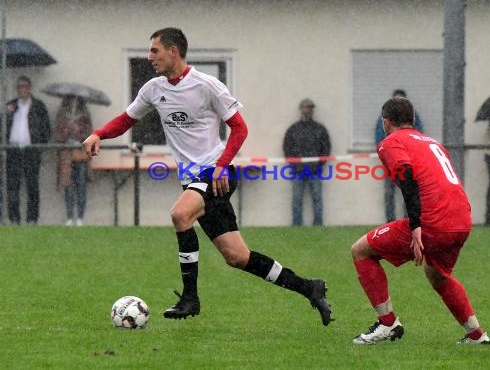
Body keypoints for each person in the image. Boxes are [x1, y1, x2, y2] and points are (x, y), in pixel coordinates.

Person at [83, 27, 332, 326]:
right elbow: (126, 120)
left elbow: (240, 128)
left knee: (179, 214)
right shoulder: (153, 89)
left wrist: (221, 165)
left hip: (217, 172)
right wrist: (98, 134)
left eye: (155, 51)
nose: (150, 57)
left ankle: (190, 299)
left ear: (173, 51)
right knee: (237, 256)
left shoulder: (207, 86)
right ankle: (309, 287)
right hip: (194, 180)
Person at [351, 96, 490, 345]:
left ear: (385, 122)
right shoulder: (430, 141)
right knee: (438, 274)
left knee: (361, 251)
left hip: (433, 221)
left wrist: (416, 226)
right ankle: (477, 335)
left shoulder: (390, 142)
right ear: (412, 120)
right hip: (462, 218)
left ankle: (387, 325)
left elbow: (407, 180)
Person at [5, 76, 51, 225]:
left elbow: (46, 129)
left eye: (24, 86)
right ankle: (14, 219)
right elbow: (3, 128)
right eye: (19, 87)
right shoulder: (11, 106)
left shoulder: (38, 106)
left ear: (30, 88)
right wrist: (6, 114)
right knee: (13, 186)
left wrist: (39, 146)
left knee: (32, 186)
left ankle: (32, 219)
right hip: (13, 150)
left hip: (31, 150)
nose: (22, 90)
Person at [375, 89, 424, 222]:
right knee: (389, 193)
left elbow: (417, 135)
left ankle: (408, 219)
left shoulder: (414, 118)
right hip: (391, 162)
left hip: (409, 162)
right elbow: (380, 136)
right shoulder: (385, 119)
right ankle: (390, 221)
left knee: (409, 191)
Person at [282, 98, 331, 226]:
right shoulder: (293, 129)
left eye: (310, 108)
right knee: (297, 199)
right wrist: (294, 164)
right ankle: (297, 224)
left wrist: (319, 164)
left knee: (317, 198)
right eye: (306, 107)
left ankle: (318, 224)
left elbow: (326, 148)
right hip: (298, 171)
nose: (308, 110)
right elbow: (287, 148)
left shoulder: (320, 129)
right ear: (301, 109)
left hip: (315, 170)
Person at [55, 96, 93, 227]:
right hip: (66, 155)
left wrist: (79, 132)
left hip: (81, 154)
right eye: (72, 100)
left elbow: (91, 136)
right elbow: (57, 136)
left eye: (77, 100)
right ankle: (69, 216)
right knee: (68, 186)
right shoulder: (62, 115)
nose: (74, 103)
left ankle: (81, 217)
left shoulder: (85, 116)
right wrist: (67, 130)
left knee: (81, 185)